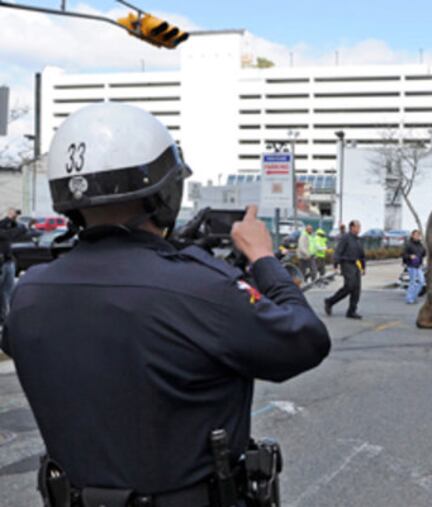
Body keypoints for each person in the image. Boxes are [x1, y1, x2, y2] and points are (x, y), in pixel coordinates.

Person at [0, 103, 331, 506]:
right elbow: (305, 340)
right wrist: (263, 258)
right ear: (164, 192)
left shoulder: (29, 294)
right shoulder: (199, 288)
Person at [324, 220, 365, 319]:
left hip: (355, 265)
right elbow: (338, 251)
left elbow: (362, 255)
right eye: (357, 227)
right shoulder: (346, 238)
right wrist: (335, 265)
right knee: (349, 286)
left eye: (360, 227)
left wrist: (363, 267)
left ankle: (351, 311)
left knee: (356, 289)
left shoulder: (357, 239)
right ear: (352, 227)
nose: (359, 229)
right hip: (346, 263)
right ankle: (330, 301)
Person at [0, 208, 27, 326]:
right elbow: (6, 234)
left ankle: (5, 320)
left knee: (7, 293)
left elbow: (22, 229)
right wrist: (8, 219)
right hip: (2, 264)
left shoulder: (3, 225)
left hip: (8, 262)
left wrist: (13, 220)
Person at [402, 230, 426, 304]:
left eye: (418, 235)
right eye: (416, 235)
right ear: (412, 235)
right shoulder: (408, 244)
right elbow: (403, 255)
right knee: (412, 282)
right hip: (411, 266)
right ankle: (409, 299)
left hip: (418, 266)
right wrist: (410, 256)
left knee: (422, 282)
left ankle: (413, 297)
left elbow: (423, 253)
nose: (417, 236)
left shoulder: (420, 245)